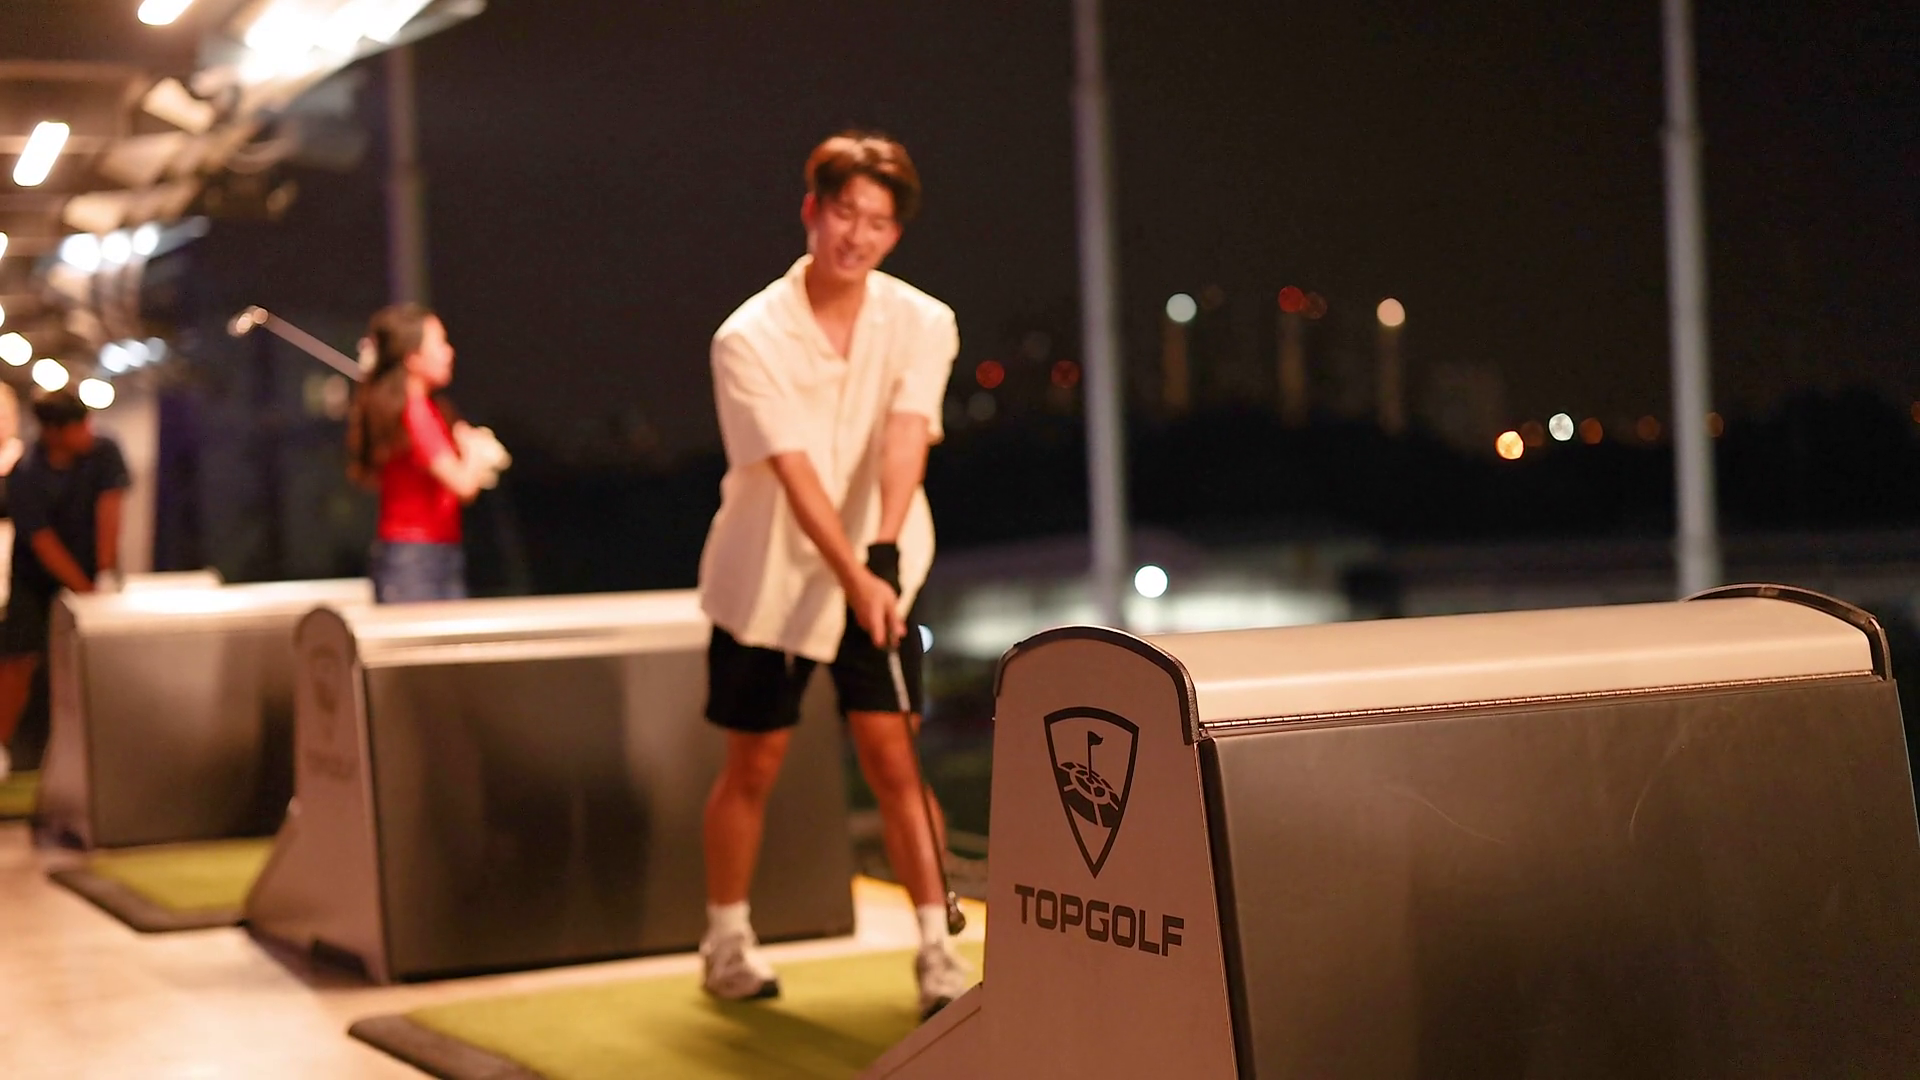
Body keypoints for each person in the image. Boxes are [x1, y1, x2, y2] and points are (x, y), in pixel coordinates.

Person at [696, 131, 969, 1019]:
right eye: (845, 212)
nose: (858, 235)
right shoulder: (747, 336)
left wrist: (881, 555)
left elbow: (906, 433)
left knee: (894, 752)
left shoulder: (924, 321)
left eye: (878, 223)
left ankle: (938, 952)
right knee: (754, 762)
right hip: (769, 579)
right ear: (811, 210)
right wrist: (855, 573)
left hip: (885, 571)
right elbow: (793, 469)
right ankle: (727, 941)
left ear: (896, 234)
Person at [0, 388, 129, 780]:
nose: (87, 431)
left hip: (95, 572)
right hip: (34, 581)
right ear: (53, 432)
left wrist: (102, 576)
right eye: (77, 426)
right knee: (19, 659)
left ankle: (110, 749)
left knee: (102, 660)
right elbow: (43, 542)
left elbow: (110, 512)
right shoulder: (25, 473)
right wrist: (82, 589)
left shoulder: (104, 453)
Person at [345, 304, 509, 603]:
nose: (449, 353)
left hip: (428, 553)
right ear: (413, 358)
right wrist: (474, 450)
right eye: (440, 344)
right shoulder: (415, 413)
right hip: (416, 559)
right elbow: (463, 485)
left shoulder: (417, 410)